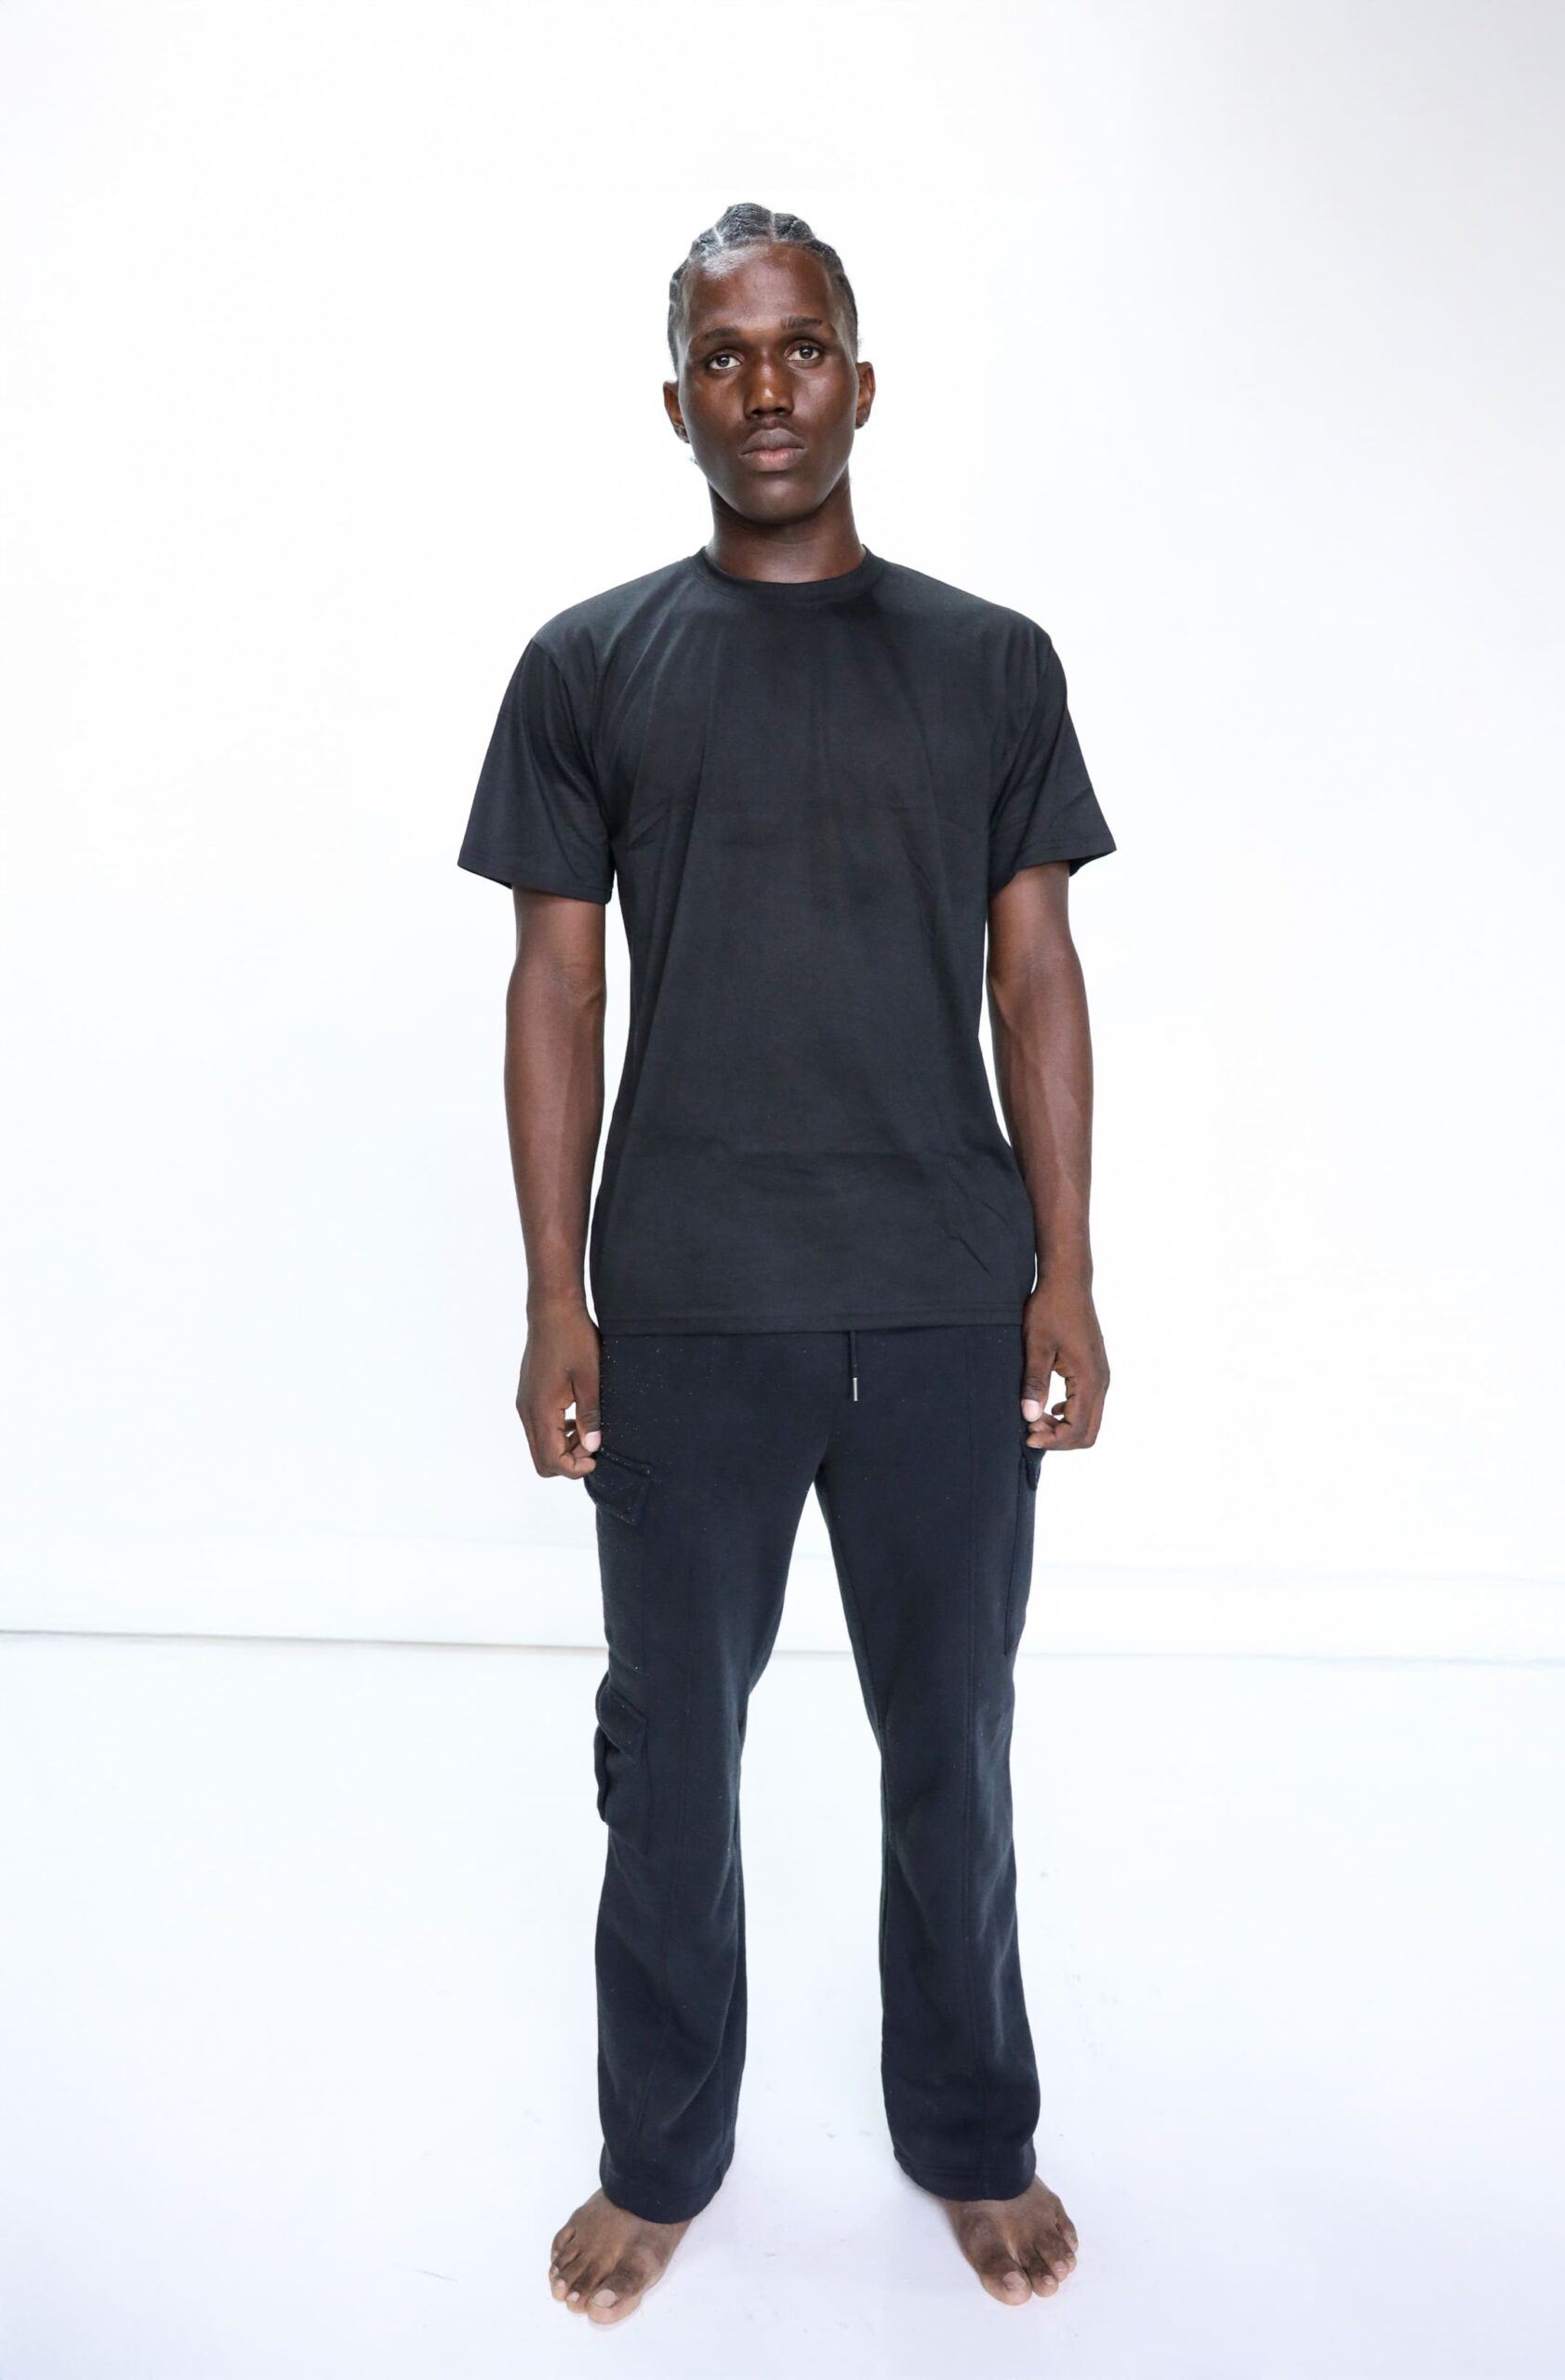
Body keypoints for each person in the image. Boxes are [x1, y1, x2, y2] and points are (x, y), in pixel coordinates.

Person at [458, 201, 1116, 2327]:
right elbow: (556, 987)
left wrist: (1064, 1268)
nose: (766, 388)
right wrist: (556, 1297)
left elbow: (1036, 967)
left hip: (939, 1291)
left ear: (860, 380)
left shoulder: (990, 662)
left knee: (954, 1748)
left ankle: (971, 2130)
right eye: (725, 355)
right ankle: (660, 2156)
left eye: (800, 347)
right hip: (689, 1304)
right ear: (674, 399)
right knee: (671, 1759)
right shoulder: (587, 666)